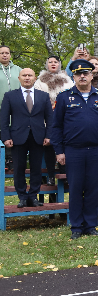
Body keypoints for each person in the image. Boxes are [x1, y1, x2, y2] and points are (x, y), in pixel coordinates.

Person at [48, 59, 98, 239]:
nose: (82, 76)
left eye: (86, 73)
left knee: (93, 189)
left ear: (92, 76)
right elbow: (56, 127)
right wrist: (59, 151)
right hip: (73, 151)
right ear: (74, 77)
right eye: (78, 74)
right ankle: (76, 226)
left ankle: (91, 225)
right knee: (76, 189)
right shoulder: (64, 97)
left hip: (95, 151)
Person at [1, 69, 53, 208]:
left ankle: (33, 196)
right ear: (19, 78)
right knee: (19, 168)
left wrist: (49, 136)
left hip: (38, 137)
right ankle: (22, 197)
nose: (27, 78)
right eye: (24, 75)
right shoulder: (10, 96)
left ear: (35, 78)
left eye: (30, 75)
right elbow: (4, 119)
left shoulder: (43, 96)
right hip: (17, 138)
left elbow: (50, 118)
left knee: (36, 168)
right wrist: (5, 137)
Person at [35, 55, 74, 188]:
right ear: (47, 65)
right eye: (50, 62)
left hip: (65, 118)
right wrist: (48, 106)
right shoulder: (40, 80)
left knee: (65, 145)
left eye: (55, 62)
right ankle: (50, 176)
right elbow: (36, 98)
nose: (53, 64)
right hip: (47, 118)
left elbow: (73, 96)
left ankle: (65, 174)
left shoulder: (68, 80)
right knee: (50, 146)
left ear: (59, 64)